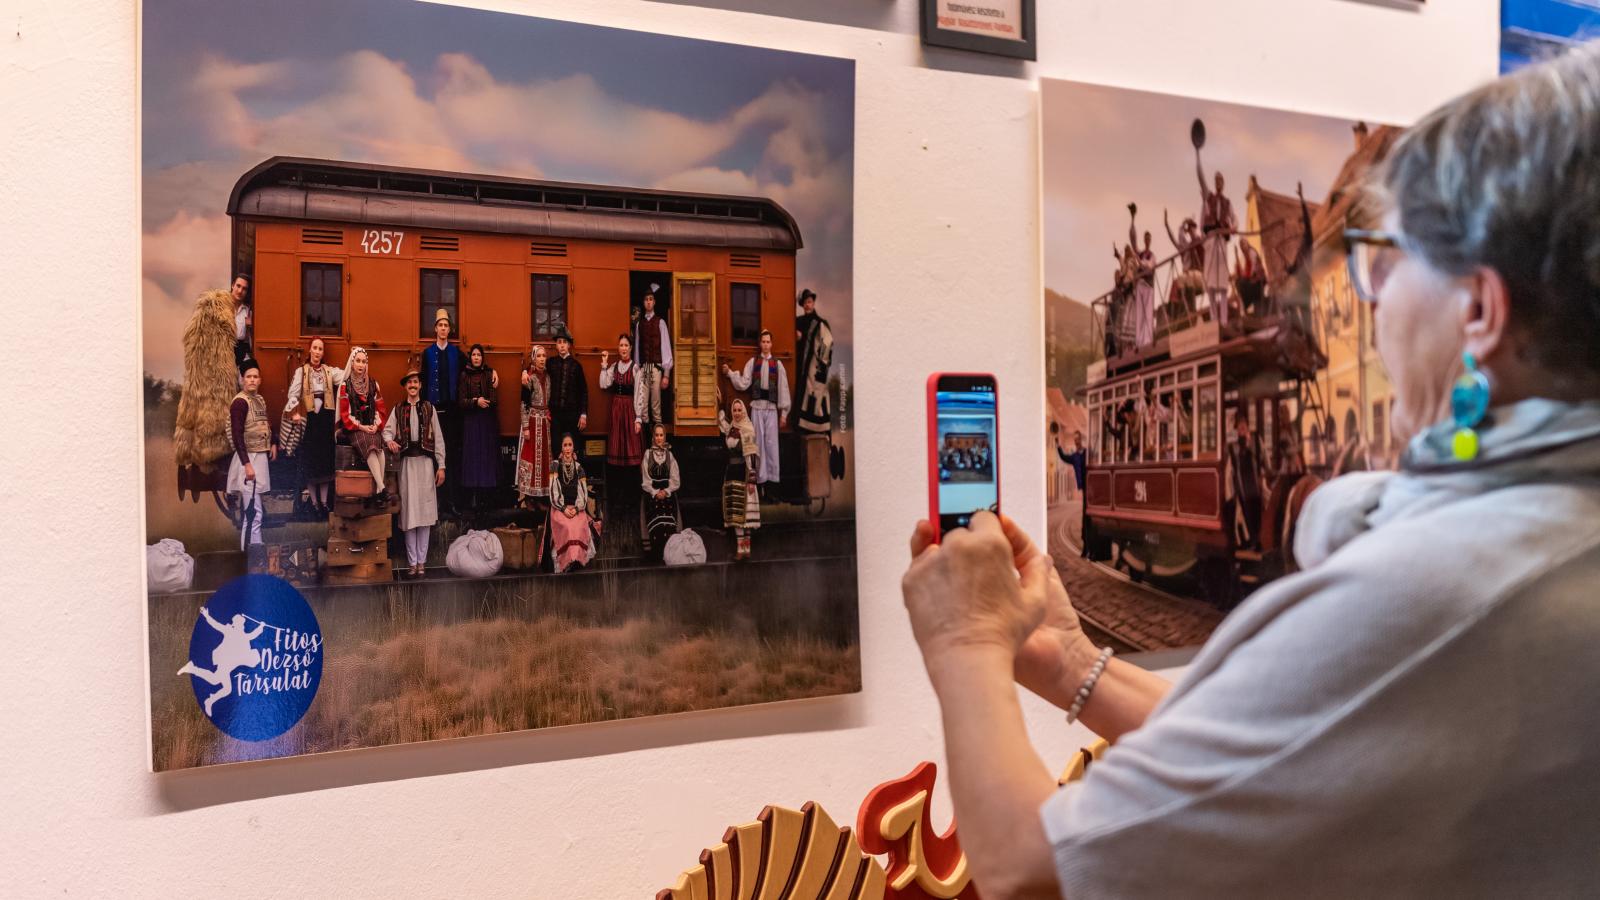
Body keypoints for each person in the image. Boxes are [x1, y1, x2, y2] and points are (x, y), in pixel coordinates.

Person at [898, 43, 1600, 897]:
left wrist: (966, 640)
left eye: (1387, 261)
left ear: (1480, 309)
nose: (1373, 303)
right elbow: (1301, 746)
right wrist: (1069, 664)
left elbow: (1025, 869)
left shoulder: (1440, 588)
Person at [383, 360, 447, 578]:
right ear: (405, 386)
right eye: (409, 382)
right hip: (407, 466)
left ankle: (422, 562)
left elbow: (438, 439)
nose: (412, 385)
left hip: (426, 465)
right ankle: (412, 563)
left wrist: (442, 466)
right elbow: (386, 432)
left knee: (426, 514)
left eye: (416, 382)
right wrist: (390, 442)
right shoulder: (398, 409)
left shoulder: (429, 408)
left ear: (420, 386)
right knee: (410, 514)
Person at [723, 330, 791, 498]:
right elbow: (744, 383)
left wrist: (784, 414)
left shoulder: (778, 364)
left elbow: (783, 388)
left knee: (771, 444)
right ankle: (759, 481)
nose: (766, 345)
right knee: (758, 444)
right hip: (758, 409)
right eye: (764, 342)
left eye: (769, 342)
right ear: (760, 344)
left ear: (771, 344)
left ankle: (772, 484)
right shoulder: (753, 362)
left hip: (771, 409)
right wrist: (730, 373)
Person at [283, 337, 342, 515]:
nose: (317, 352)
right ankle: (314, 503)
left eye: (320, 349)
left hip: (325, 422)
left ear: (323, 353)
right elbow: (292, 394)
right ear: (310, 350)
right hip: (310, 422)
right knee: (310, 463)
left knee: (324, 463)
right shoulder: (302, 372)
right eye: (315, 348)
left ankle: (324, 503)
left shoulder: (329, 371)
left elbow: (345, 375)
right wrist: (294, 411)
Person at [176, 607, 266, 717]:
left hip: (229, 665)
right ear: (236, 624)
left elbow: (252, 635)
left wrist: (261, 627)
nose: (242, 626)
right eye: (240, 624)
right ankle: (207, 697)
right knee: (221, 685)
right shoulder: (229, 630)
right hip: (224, 663)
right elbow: (216, 625)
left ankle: (196, 676)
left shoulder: (243, 635)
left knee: (220, 684)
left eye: (242, 624)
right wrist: (206, 615)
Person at [227, 358, 277, 551]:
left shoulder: (259, 399)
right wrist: (247, 464)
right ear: (242, 379)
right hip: (247, 459)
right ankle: (249, 555)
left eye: (256, 377)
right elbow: (237, 434)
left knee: (256, 511)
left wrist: (272, 443)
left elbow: (265, 423)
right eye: (248, 377)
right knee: (251, 512)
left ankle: (256, 550)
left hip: (260, 457)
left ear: (260, 380)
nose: (252, 380)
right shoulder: (240, 402)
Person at [336, 346, 388, 500]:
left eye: (363, 362)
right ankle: (382, 488)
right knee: (370, 444)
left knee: (379, 445)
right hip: (354, 429)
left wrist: (375, 425)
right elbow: (345, 415)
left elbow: (380, 409)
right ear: (352, 363)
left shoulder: (373, 384)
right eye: (357, 361)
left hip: (370, 427)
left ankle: (380, 492)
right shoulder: (345, 387)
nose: (360, 364)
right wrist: (362, 426)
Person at [457, 343, 499, 513]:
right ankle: (472, 498)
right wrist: (476, 401)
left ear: (482, 358)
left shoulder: (489, 374)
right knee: (473, 459)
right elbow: (461, 401)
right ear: (470, 357)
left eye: (479, 355)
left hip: (487, 422)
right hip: (471, 422)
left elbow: (494, 399)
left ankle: (486, 500)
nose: (476, 358)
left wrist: (485, 401)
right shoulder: (464, 375)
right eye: (473, 355)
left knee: (486, 459)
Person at [718, 398, 761, 561]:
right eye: (734, 410)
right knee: (735, 512)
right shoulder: (731, 428)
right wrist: (720, 405)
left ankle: (745, 549)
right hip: (731, 473)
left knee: (745, 513)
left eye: (738, 410)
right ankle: (740, 549)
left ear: (743, 411)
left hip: (743, 473)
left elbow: (751, 456)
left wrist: (751, 479)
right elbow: (722, 424)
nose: (736, 413)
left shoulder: (747, 429)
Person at [1196, 159, 1237, 327]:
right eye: (1216, 180)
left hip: (1222, 243)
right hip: (1212, 241)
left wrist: (1231, 229)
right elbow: (1200, 177)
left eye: (1221, 180)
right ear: (1214, 182)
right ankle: (1214, 319)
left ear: (1223, 183)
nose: (1218, 183)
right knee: (1212, 284)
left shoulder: (1228, 203)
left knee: (1223, 284)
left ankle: (1224, 319)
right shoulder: (1208, 199)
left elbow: (1235, 221)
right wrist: (1198, 155)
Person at [547, 434, 596, 573]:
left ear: (573, 448)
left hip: (575, 508)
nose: (567, 448)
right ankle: (565, 562)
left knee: (579, 524)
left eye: (570, 445)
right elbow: (553, 490)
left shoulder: (579, 468)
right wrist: (563, 508)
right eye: (565, 445)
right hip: (559, 508)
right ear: (561, 449)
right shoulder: (555, 466)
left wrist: (577, 508)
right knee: (567, 527)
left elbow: (583, 493)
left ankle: (576, 560)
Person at [599, 334, 645, 469]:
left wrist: (638, 418)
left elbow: (639, 393)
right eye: (621, 345)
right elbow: (603, 384)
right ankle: (618, 474)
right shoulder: (614, 366)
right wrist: (604, 364)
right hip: (616, 408)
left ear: (630, 348)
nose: (623, 348)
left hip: (630, 408)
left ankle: (630, 475)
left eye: (626, 345)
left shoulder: (636, 368)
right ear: (618, 348)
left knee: (631, 442)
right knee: (617, 442)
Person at [515, 344, 553, 506]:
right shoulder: (529, 378)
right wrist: (525, 427)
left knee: (545, 460)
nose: (542, 359)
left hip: (546, 422)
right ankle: (529, 498)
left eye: (544, 356)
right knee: (531, 458)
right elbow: (524, 403)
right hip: (532, 421)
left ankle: (543, 496)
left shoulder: (549, 376)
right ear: (533, 358)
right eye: (538, 356)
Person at [1224, 407, 1266, 549]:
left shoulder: (1256, 440)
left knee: (1258, 513)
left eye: (1244, 426)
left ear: (1248, 427)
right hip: (1243, 489)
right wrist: (1230, 492)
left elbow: (1264, 459)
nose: (1242, 429)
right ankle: (1253, 542)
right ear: (1236, 430)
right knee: (1247, 514)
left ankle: (1259, 540)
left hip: (1256, 486)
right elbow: (1230, 470)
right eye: (1239, 427)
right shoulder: (1233, 447)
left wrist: (1267, 474)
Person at [547, 325, 588, 468]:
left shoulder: (576, 366)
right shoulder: (550, 363)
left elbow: (584, 391)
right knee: (557, 448)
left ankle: (573, 484)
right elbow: (535, 368)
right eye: (559, 342)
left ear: (569, 345)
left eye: (564, 342)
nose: (562, 345)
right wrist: (525, 372)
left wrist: (583, 414)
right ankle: (556, 484)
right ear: (556, 346)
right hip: (555, 415)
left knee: (572, 448)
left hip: (573, 415)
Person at [633, 285, 673, 430]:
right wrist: (637, 369)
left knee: (656, 406)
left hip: (656, 368)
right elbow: (637, 349)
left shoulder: (660, 323)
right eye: (646, 300)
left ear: (654, 302)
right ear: (643, 303)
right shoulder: (639, 325)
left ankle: (657, 442)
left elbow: (666, 349)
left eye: (651, 299)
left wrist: (666, 375)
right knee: (642, 406)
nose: (648, 302)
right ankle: (644, 444)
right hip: (644, 368)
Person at [639, 423, 682, 560]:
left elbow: (675, 480)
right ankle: (656, 556)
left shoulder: (670, 455)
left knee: (668, 525)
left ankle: (669, 556)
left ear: (664, 437)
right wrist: (655, 492)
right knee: (657, 525)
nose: (659, 438)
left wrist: (666, 491)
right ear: (653, 437)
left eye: (661, 435)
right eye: (656, 435)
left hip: (667, 495)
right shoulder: (648, 454)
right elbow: (645, 479)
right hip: (652, 495)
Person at [794, 289, 834, 433]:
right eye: (805, 303)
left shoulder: (821, 323)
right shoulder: (797, 322)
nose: (807, 305)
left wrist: (802, 337)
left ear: (813, 303)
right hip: (799, 367)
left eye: (809, 302)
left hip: (813, 368)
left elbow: (827, 345)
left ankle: (816, 432)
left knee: (814, 395)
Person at [1055, 429, 1088, 557]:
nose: (1076, 441)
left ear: (1081, 440)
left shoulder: (1087, 453)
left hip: (1091, 488)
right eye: (1075, 440)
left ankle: (1088, 548)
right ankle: (1086, 548)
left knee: (1088, 518)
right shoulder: (1074, 456)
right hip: (1084, 488)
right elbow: (1064, 457)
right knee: (1085, 518)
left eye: (1078, 439)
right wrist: (1058, 446)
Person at [1127, 205, 1156, 348]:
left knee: (1148, 314)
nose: (1147, 240)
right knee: (1140, 315)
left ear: (1150, 240)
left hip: (1149, 286)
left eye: (1148, 238)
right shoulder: (1140, 253)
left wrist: (1140, 262)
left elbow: (1149, 266)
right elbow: (1133, 241)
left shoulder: (1152, 255)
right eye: (1145, 238)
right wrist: (1132, 219)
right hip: (1140, 286)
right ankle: (1139, 342)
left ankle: (1147, 341)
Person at [230, 273, 252, 369]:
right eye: (238, 286)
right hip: (222, 352)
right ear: (232, 285)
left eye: (244, 289)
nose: (240, 291)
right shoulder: (221, 307)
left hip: (240, 353)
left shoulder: (248, 311)